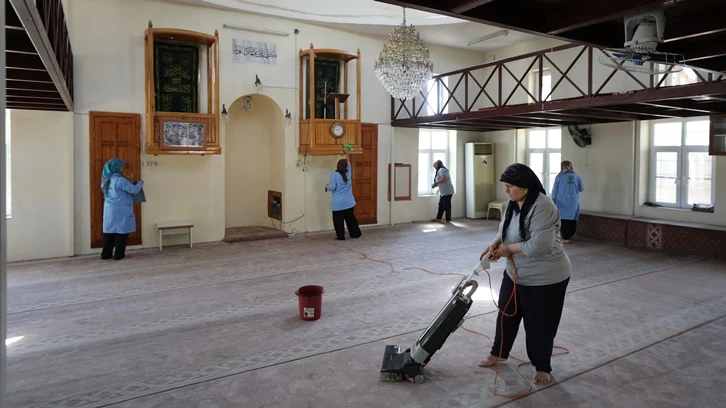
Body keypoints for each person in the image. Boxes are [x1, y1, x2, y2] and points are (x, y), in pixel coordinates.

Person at [478, 163, 571, 385]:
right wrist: (495, 244)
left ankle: (542, 366)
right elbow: (504, 230)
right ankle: (498, 353)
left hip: (546, 279)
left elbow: (540, 245)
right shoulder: (513, 203)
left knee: (539, 325)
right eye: (505, 186)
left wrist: (508, 249)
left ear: (524, 186)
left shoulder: (543, 206)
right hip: (515, 274)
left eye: (509, 186)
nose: (506, 191)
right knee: (506, 315)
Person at [101, 158, 144, 260]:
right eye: (121, 165)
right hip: (121, 209)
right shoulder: (120, 179)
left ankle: (106, 254)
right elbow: (134, 190)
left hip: (110, 208)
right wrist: (140, 182)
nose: (123, 167)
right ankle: (119, 255)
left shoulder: (107, 178)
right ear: (116, 167)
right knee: (122, 232)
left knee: (110, 232)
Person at [325, 152, 361, 240]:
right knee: (351, 219)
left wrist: (327, 186)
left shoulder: (335, 175)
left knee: (338, 221)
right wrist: (347, 153)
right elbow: (349, 164)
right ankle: (355, 234)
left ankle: (341, 236)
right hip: (349, 202)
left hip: (338, 204)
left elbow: (332, 187)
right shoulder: (349, 173)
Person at [551, 160, 584, 244]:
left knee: (564, 219)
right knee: (572, 218)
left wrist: (553, 200)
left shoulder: (559, 177)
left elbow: (555, 191)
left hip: (562, 201)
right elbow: (581, 188)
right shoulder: (576, 176)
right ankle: (571, 235)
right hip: (573, 201)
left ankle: (566, 237)